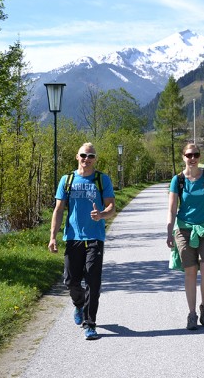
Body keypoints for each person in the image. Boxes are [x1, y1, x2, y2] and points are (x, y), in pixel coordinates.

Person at [49, 143, 115, 340]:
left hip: (95, 238)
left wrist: (102, 214)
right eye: (84, 155)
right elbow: (59, 210)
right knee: (70, 281)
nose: (87, 159)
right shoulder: (67, 180)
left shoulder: (102, 179)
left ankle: (90, 324)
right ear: (77, 157)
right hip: (73, 237)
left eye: (91, 156)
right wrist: (53, 236)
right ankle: (79, 305)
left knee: (93, 282)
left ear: (95, 159)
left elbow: (112, 208)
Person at [167, 143, 204, 330]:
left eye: (196, 154)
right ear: (183, 157)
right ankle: (192, 313)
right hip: (183, 230)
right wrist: (169, 232)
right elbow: (173, 208)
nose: (193, 158)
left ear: (199, 157)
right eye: (189, 155)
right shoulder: (178, 180)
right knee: (190, 272)